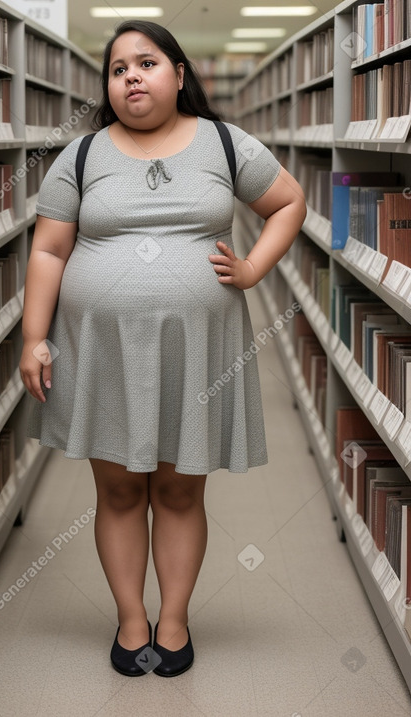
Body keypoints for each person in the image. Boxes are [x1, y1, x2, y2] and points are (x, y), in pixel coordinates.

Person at [20, 19, 306, 678]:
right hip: (103, 348)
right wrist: (35, 338)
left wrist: (256, 268)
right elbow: (48, 248)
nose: (131, 78)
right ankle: (130, 617)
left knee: (179, 488)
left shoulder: (225, 143)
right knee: (119, 489)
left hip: (197, 349)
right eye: (118, 69)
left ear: (179, 74)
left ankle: (172, 619)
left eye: (146, 63)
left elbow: (288, 202)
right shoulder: (83, 156)